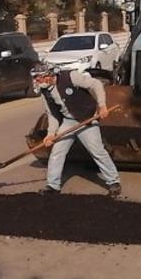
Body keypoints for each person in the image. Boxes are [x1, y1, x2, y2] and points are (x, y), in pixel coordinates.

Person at [33, 64, 122, 197]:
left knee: (97, 151)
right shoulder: (45, 92)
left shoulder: (70, 77)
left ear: (48, 76)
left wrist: (102, 105)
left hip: (87, 119)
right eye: (35, 78)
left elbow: (96, 84)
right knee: (57, 152)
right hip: (69, 122)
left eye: (38, 78)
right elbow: (52, 114)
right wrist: (50, 134)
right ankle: (52, 185)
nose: (36, 81)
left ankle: (114, 182)